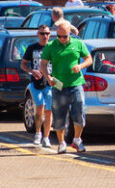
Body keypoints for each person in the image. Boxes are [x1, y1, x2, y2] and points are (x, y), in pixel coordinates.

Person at [41, 20, 93, 153]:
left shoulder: (78, 43)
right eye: (59, 36)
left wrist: (80, 66)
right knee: (59, 115)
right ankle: (61, 142)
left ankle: (77, 140)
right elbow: (43, 65)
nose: (62, 39)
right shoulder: (51, 46)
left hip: (76, 83)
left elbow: (89, 59)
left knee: (80, 109)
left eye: (64, 36)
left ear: (70, 34)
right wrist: (49, 78)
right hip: (59, 86)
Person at [20, 25, 53, 147]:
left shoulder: (53, 48)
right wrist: (31, 71)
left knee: (49, 111)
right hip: (36, 83)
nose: (45, 36)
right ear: (38, 34)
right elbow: (23, 64)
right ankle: (38, 133)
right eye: (42, 33)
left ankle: (46, 137)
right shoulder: (32, 48)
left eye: (47, 33)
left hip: (50, 83)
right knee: (39, 108)